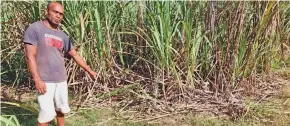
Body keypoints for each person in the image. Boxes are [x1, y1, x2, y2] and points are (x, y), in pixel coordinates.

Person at [23, 2, 97, 126]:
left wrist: (89, 70)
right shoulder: (35, 28)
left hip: (60, 79)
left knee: (61, 109)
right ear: (47, 11)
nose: (58, 16)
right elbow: (30, 56)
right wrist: (37, 79)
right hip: (45, 79)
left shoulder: (63, 35)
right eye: (55, 12)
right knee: (45, 114)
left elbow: (75, 55)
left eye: (61, 14)